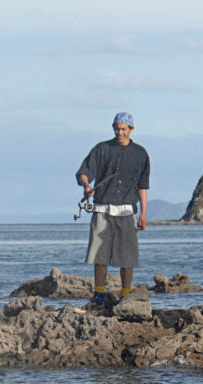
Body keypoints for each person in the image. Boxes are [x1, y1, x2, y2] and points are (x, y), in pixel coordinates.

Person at [76, 112, 150, 306]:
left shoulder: (140, 153)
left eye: (124, 129)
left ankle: (125, 294)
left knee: (128, 257)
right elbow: (83, 173)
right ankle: (99, 294)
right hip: (102, 208)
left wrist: (143, 213)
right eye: (117, 128)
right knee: (99, 255)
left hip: (127, 211)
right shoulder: (101, 149)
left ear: (131, 130)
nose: (120, 132)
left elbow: (143, 185)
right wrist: (86, 186)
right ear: (113, 128)